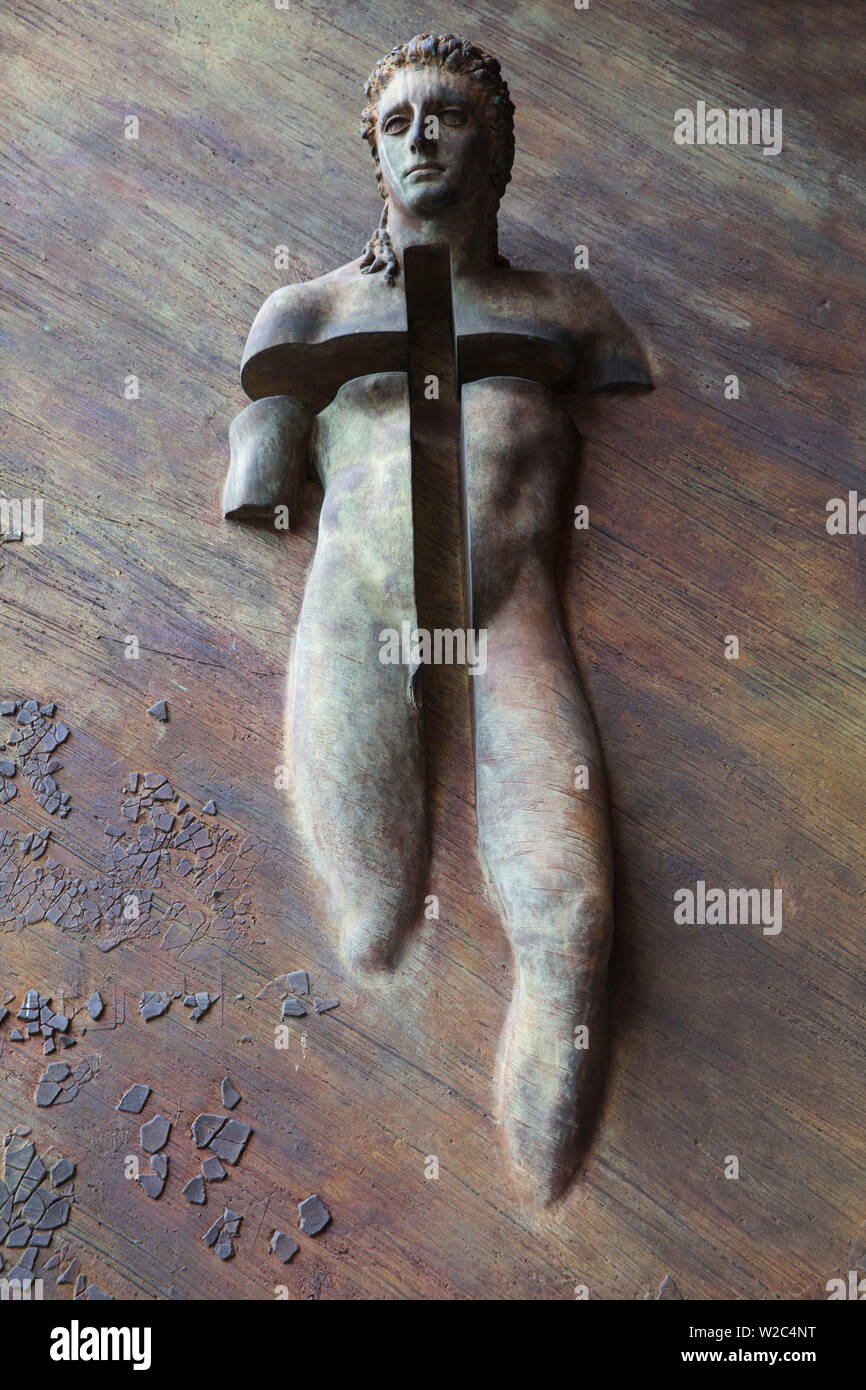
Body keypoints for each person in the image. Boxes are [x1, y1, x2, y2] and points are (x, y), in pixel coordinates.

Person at [224, 33, 652, 1204]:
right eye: (398, 122)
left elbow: (622, 390)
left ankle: (543, 1194)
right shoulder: (305, 315)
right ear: (372, 152)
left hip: (512, 613)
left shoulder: (573, 312)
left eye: (448, 116)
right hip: (354, 610)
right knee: (367, 924)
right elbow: (257, 480)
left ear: (495, 144)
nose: (421, 139)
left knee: (571, 927)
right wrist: (267, 454)